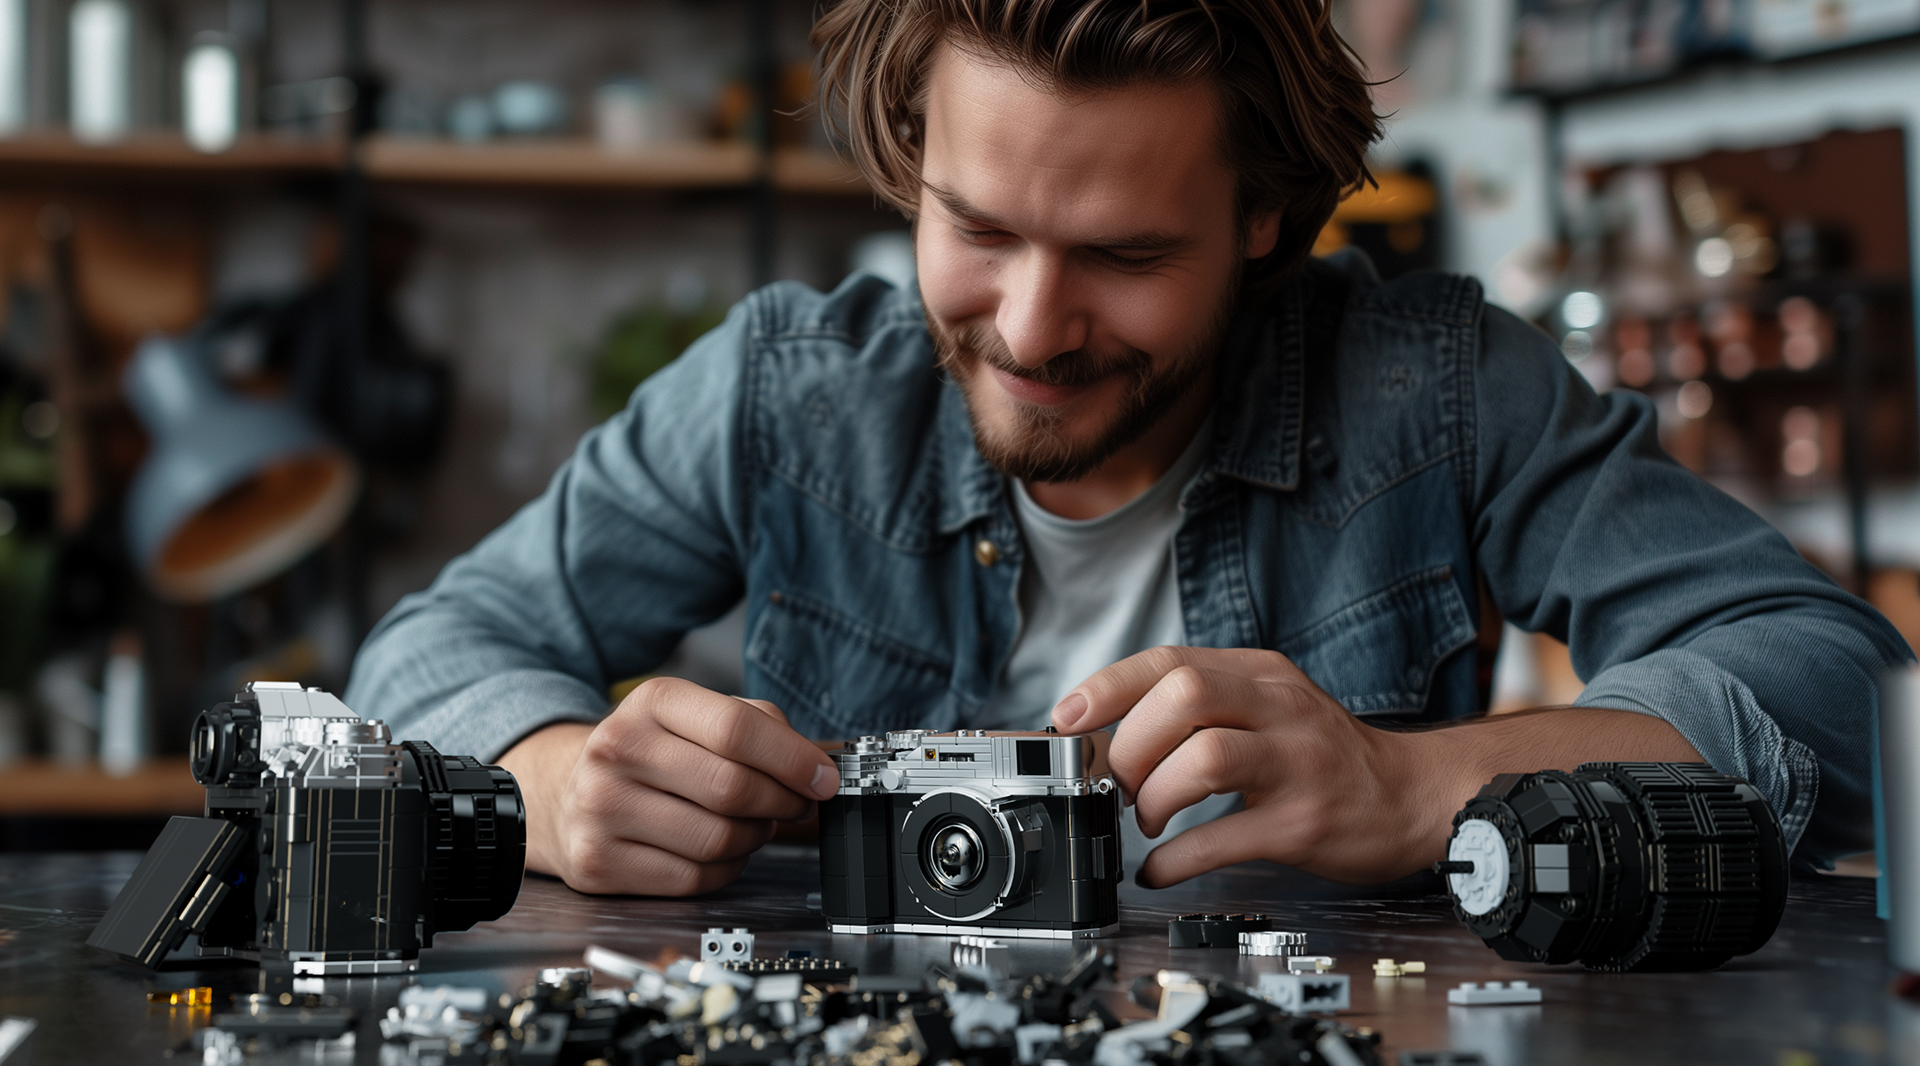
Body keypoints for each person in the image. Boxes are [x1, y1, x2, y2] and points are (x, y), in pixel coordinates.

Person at [346, 0, 1910, 897]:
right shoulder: (783, 391)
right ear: (913, 170)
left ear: (1266, 222)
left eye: (1124, 253)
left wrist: (1417, 783)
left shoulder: (1434, 387)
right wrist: (552, 788)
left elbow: (1836, 696)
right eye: (978, 226)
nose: (1030, 327)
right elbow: (432, 650)